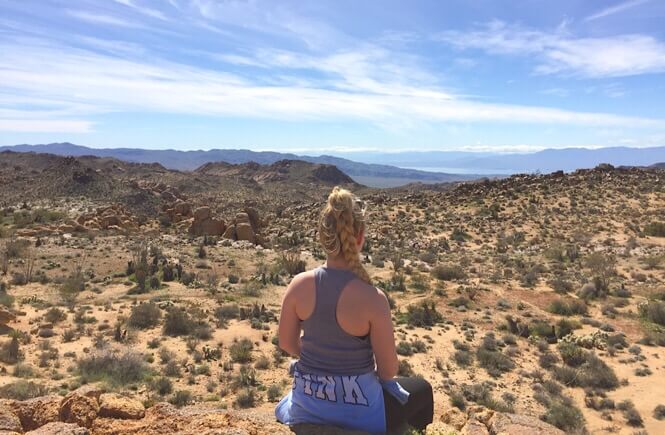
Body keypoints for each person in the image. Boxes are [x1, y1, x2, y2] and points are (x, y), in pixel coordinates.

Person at [275, 186, 433, 434]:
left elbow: (286, 342)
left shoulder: (299, 285)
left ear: (322, 237)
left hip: (307, 409)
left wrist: (322, 359)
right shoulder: (373, 298)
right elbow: (388, 371)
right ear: (359, 238)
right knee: (422, 390)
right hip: (361, 416)